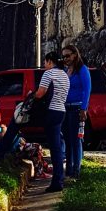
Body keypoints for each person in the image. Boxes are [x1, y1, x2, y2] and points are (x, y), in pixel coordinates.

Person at [35, 50, 69, 192]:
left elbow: (40, 93)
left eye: (45, 62)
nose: (44, 65)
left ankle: (57, 182)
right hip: (61, 110)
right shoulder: (65, 75)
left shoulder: (49, 74)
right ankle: (58, 180)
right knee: (56, 147)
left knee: (55, 148)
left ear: (50, 61)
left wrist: (33, 95)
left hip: (51, 111)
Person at [62, 44, 90, 180]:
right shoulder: (66, 70)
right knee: (67, 139)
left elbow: (87, 89)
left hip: (77, 108)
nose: (65, 59)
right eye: (63, 57)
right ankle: (69, 168)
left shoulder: (82, 70)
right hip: (66, 108)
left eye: (68, 55)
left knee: (76, 140)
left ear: (74, 54)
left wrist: (84, 109)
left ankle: (76, 170)